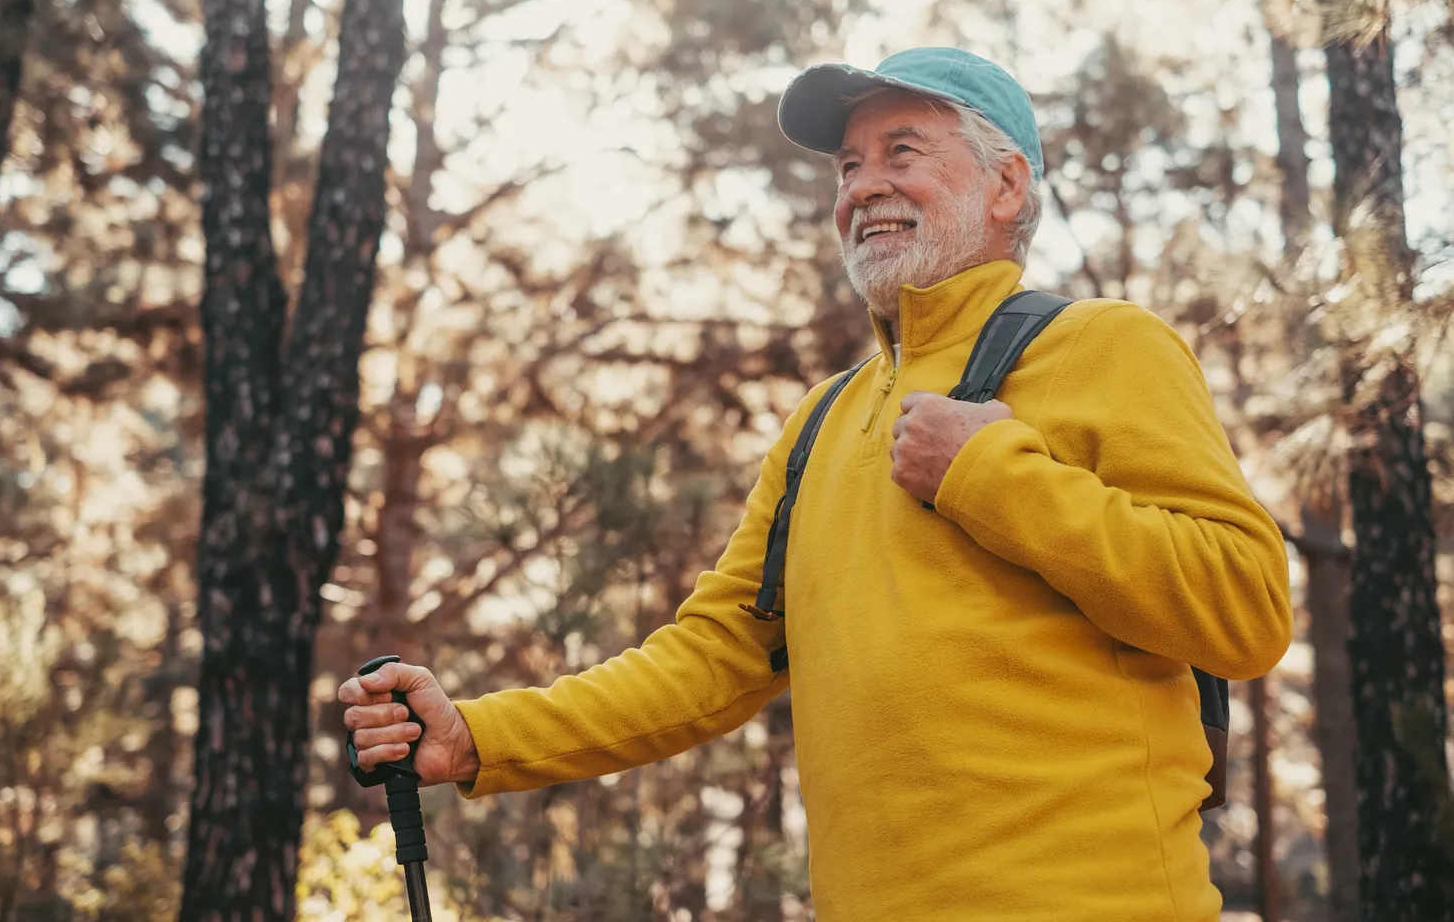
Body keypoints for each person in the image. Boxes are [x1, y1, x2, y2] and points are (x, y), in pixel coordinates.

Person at [341, 47, 1293, 921]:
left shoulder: (1104, 344)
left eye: (902, 150)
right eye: (847, 167)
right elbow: (713, 656)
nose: (864, 186)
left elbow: (1245, 606)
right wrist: (479, 740)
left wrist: (989, 473)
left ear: (1008, 186)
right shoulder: (820, 425)